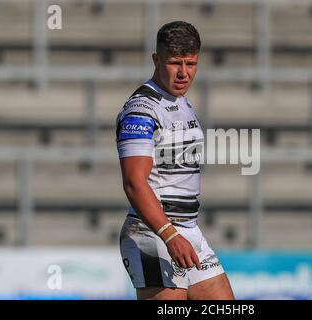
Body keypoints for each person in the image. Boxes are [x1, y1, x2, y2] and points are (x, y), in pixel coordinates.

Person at [116, 21, 235, 300]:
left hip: (188, 229)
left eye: (191, 63)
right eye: (175, 63)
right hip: (153, 233)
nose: (184, 73)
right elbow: (134, 183)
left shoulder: (180, 101)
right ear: (156, 60)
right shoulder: (141, 110)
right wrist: (169, 236)